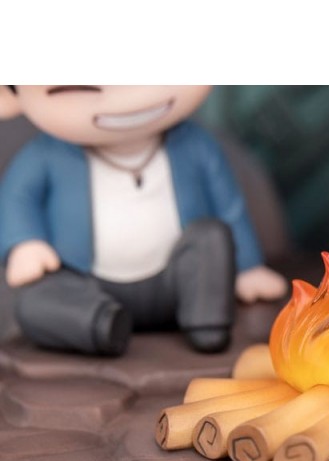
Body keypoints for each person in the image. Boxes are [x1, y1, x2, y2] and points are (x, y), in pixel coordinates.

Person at [0, 85, 287, 355]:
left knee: (211, 235)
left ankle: (207, 322)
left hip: (180, 282)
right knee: (32, 303)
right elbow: (17, 198)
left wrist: (247, 267)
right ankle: (101, 324)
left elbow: (228, 206)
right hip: (85, 284)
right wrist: (25, 243)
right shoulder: (45, 156)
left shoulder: (196, 146)